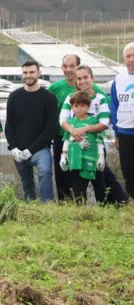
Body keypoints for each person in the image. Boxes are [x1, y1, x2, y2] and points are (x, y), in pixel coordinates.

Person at [59, 65, 127, 204]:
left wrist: (84, 129)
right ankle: (81, 211)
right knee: (78, 185)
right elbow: (63, 120)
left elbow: (104, 123)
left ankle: (117, 204)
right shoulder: (70, 98)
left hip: (95, 147)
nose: (82, 81)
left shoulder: (100, 98)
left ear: (92, 78)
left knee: (100, 183)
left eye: (85, 77)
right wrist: (73, 132)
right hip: (75, 149)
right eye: (79, 78)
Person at [48, 54, 103, 200]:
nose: (68, 69)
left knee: (94, 174)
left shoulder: (95, 89)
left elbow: (107, 111)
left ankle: (107, 203)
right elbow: (52, 114)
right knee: (64, 174)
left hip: (91, 139)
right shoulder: (54, 87)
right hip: (64, 137)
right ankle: (65, 203)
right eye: (65, 66)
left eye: (72, 66)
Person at [5, 61, 58, 202]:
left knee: (45, 172)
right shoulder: (14, 97)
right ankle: (30, 208)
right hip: (19, 150)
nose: (28, 75)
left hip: (40, 149)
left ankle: (47, 206)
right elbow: (9, 125)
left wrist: (31, 149)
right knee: (27, 184)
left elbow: (51, 128)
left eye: (32, 72)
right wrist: (13, 148)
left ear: (39, 73)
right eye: (25, 72)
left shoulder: (49, 98)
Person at [60, 91, 103, 203]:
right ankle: (79, 208)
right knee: (75, 185)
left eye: (82, 105)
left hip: (89, 158)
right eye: (76, 106)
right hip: (74, 159)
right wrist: (63, 156)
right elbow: (66, 140)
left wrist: (101, 156)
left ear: (88, 106)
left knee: (83, 184)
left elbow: (99, 140)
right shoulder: (70, 123)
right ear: (72, 107)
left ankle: (83, 208)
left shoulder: (94, 122)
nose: (79, 108)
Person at [109, 41, 134, 198]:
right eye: (128, 56)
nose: (131, 59)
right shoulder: (118, 80)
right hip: (125, 133)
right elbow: (114, 107)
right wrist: (117, 134)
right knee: (128, 171)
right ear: (124, 59)